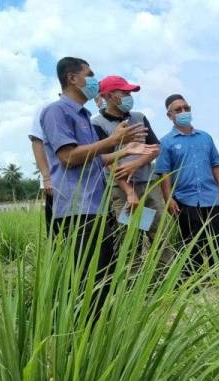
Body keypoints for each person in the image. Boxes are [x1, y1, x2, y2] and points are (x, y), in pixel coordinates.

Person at [40, 56, 155, 311]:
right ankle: (77, 340)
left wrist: (125, 151)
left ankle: (96, 338)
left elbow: (95, 159)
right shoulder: (56, 111)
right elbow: (68, 157)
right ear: (72, 78)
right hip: (76, 208)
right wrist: (114, 139)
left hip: (97, 206)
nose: (94, 81)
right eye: (90, 75)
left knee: (101, 278)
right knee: (83, 282)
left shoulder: (83, 115)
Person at [91, 75, 172, 263]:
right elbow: (106, 160)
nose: (129, 96)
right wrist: (129, 192)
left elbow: (156, 148)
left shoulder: (139, 117)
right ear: (109, 96)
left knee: (160, 234)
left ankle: (165, 278)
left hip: (149, 184)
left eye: (130, 92)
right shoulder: (97, 123)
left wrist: (136, 164)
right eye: (124, 92)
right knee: (129, 238)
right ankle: (132, 283)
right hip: (121, 189)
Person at [156, 94, 219, 274]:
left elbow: (216, 164)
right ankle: (192, 282)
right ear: (169, 115)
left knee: (217, 239)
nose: (183, 112)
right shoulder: (165, 142)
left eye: (186, 108)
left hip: (211, 197)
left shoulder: (205, 137)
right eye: (178, 110)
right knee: (190, 242)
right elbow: (164, 173)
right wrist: (168, 198)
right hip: (185, 200)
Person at [29, 104, 54, 233]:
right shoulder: (46, 108)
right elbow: (36, 141)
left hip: (80, 184)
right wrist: (47, 177)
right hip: (55, 183)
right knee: (57, 231)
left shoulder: (84, 113)